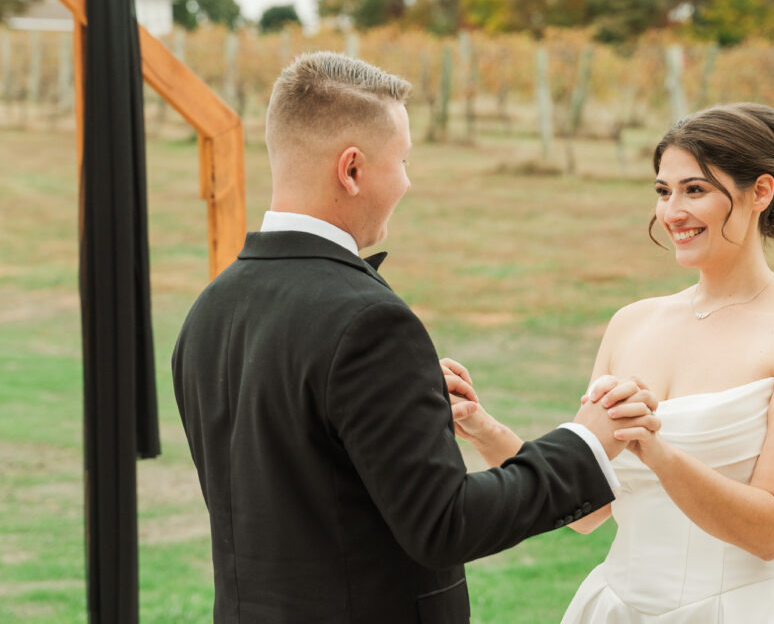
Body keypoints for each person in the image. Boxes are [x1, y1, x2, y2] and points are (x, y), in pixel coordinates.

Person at [170, 52, 661, 624]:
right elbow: (443, 523)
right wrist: (584, 442)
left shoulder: (209, 309)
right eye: (402, 160)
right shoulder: (369, 322)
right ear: (351, 170)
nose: (407, 179)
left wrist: (406, 411)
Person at [451, 103, 774, 622]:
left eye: (695, 190)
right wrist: (479, 426)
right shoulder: (630, 324)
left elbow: (772, 530)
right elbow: (591, 511)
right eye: (663, 191)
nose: (672, 211)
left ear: (761, 192)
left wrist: (654, 450)